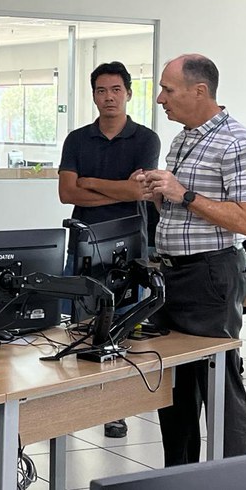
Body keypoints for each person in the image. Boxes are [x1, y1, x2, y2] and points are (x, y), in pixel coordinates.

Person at [139, 53, 246, 466]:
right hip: (172, 274)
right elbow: (181, 209)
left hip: (211, 274)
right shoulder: (183, 138)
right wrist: (160, 194)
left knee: (218, 382)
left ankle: (233, 475)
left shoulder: (238, 143)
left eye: (167, 90)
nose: (160, 98)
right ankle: (179, 474)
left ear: (200, 91)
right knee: (174, 383)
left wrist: (185, 195)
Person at [58, 61, 161, 439]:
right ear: (94, 96)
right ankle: (69, 402)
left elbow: (140, 192)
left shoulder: (146, 139)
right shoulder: (77, 139)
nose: (109, 97)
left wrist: (92, 182)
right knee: (79, 327)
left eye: (116, 90)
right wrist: (115, 187)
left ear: (128, 93)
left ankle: (115, 409)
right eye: (101, 91)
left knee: (122, 329)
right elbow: (67, 193)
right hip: (85, 242)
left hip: (129, 245)